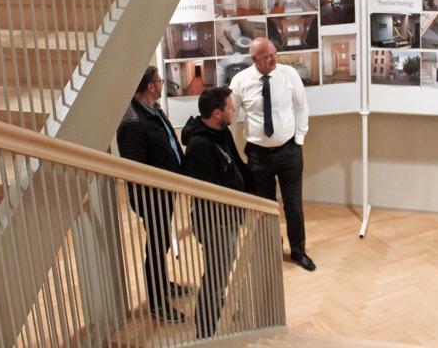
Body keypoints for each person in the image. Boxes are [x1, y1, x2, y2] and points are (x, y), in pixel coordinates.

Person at [229, 37, 316, 271]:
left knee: (293, 205)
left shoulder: (288, 75)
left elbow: (301, 107)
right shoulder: (240, 81)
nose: (273, 59)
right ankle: (271, 248)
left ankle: (298, 250)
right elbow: (230, 113)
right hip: (258, 155)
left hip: (289, 151)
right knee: (265, 206)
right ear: (254, 59)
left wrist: (299, 140)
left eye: (274, 53)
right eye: (267, 56)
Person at [115, 66, 189, 322]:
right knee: (158, 246)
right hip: (151, 197)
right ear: (150, 86)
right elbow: (135, 169)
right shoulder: (133, 122)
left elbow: (168, 142)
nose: (161, 85)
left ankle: (163, 285)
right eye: (159, 81)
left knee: (162, 242)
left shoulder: (153, 110)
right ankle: (158, 303)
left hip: (164, 191)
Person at [181, 87, 255, 339]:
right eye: (230, 107)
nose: (234, 110)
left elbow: (236, 167)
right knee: (215, 277)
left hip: (229, 217)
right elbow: (202, 190)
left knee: (221, 271)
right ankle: (206, 332)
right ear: (216, 113)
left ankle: (216, 314)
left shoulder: (222, 133)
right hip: (214, 221)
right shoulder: (199, 145)